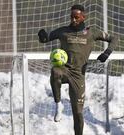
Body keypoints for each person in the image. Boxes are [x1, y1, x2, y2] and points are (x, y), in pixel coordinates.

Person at [38, 4, 117, 135]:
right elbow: (46, 38)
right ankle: (58, 105)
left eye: (76, 17)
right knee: (55, 71)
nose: (73, 20)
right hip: (65, 70)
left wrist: (107, 53)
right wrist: (42, 36)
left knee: (78, 114)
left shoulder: (92, 32)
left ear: (83, 17)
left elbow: (114, 38)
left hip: (78, 76)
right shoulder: (63, 31)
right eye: (71, 17)